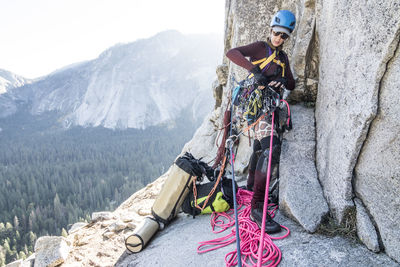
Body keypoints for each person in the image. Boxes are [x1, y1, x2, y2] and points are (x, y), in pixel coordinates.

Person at [226, 10, 296, 234]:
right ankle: (257, 207)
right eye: (277, 33)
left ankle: (249, 186)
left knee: (259, 148)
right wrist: (255, 70)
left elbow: (292, 84)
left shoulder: (283, 58)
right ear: (271, 30)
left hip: (270, 107)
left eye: (284, 36)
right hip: (257, 109)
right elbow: (232, 52)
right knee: (270, 148)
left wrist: (281, 79)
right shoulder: (259, 47)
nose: (279, 38)